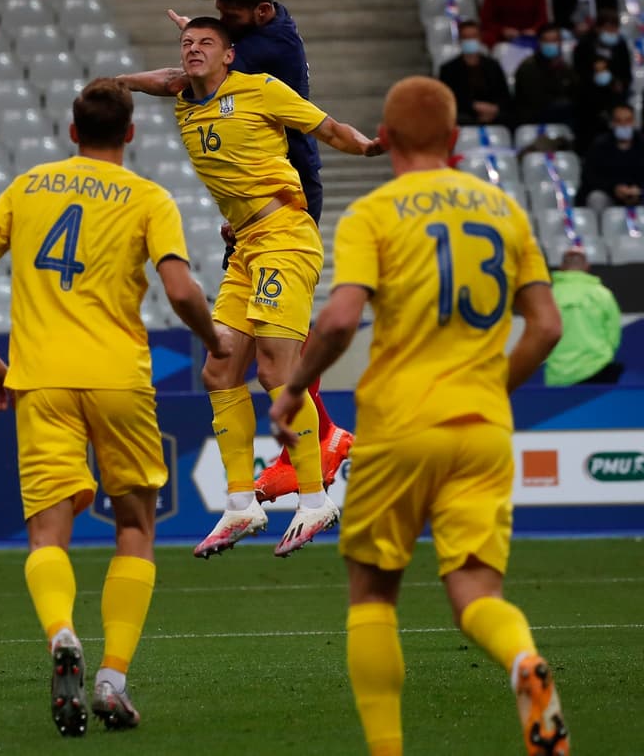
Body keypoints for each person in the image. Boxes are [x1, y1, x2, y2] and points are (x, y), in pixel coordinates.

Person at [268, 76, 569, 756]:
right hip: (483, 430)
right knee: (474, 594)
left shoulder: (375, 213)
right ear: (455, 139)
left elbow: (341, 319)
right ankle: (522, 659)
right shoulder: (505, 211)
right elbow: (546, 327)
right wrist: (492, 386)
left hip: (400, 426)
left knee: (373, 594)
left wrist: (294, 389)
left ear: (390, 138)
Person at [0, 78, 230, 736]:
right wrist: (214, 339)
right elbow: (182, 288)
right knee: (135, 525)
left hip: (40, 379)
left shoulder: (29, 187)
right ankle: (112, 678)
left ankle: (61, 635)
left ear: (72, 132)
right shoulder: (148, 198)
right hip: (118, 377)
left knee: (47, 532)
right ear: (130, 134)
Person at [120, 17, 382, 558]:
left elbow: (328, 129)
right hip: (245, 246)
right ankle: (241, 503)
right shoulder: (185, 100)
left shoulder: (261, 89)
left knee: (275, 369)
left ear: (231, 55)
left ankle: (315, 499)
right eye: (187, 44)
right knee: (218, 369)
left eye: (206, 44)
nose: (193, 51)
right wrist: (114, 83)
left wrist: (371, 147)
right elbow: (166, 78)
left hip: (286, 233)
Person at [154, 0, 358, 506]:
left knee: (274, 343)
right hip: (259, 200)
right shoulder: (267, 24)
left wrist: (196, 49)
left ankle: (323, 443)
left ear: (258, 15)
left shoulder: (266, 53)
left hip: (287, 193)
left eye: (229, 18)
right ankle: (309, 446)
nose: (222, 22)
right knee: (238, 352)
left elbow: (184, 81)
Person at [545, 247, 623, 385]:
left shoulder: (549, 296)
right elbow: (613, 335)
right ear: (587, 267)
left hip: (558, 375)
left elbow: (541, 333)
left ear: (562, 267)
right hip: (598, 371)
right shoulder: (603, 295)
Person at [436, 20, 513, 126]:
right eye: (466, 37)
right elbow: (447, 100)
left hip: (493, 114)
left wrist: (494, 108)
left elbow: (504, 96)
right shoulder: (448, 69)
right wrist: (473, 107)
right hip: (465, 115)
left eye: (473, 36)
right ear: (460, 40)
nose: (470, 40)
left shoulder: (493, 66)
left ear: (480, 38)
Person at [575, 104, 644, 213]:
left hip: (638, 195)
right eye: (619, 121)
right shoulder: (599, 146)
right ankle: (598, 230)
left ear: (634, 122)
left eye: (628, 120)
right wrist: (614, 188)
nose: (624, 125)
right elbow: (590, 177)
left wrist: (638, 189)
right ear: (612, 123)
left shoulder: (641, 143)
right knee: (596, 198)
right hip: (609, 194)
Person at [513, 23, 578, 126]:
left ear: (560, 43)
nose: (551, 44)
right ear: (539, 43)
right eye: (546, 41)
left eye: (554, 40)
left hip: (561, 114)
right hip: (535, 118)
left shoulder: (563, 66)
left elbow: (576, 89)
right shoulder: (528, 67)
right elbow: (536, 102)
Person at [572, 56, 627, 153]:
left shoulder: (617, 92)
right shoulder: (584, 94)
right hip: (590, 138)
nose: (601, 74)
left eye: (603, 70)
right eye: (598, 70)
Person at [572, 9, 631, 91]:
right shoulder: (585, 45)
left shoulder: (620, 44)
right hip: (589, 92)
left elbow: (626, 70)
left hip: (615, 92)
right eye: (608, 28)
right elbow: (579, 71)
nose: (612, 32)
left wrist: (621, 84)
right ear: (598, 28)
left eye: (615, 28)